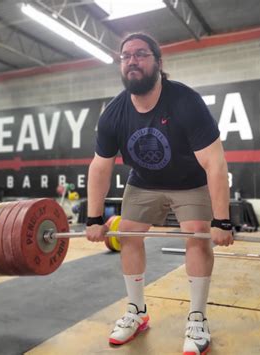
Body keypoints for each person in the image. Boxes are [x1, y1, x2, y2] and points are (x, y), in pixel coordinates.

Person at [86, 32, 233, 355]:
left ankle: (197, 318)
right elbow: (100, 167)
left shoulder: (185, 101)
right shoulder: (114, 113)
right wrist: (94, 217)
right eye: (126, 56)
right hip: (144, 182)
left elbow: (215, 163)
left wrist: (222, 221)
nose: (132, 61)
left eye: (140, 54)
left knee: (197, 235)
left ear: (158, 62)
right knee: (127, 234)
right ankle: (137, 312)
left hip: (190, 181)